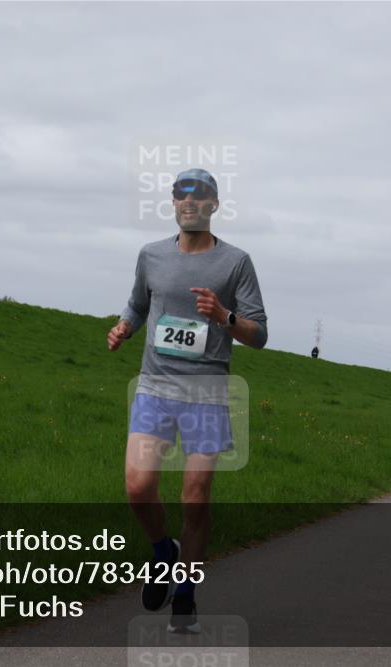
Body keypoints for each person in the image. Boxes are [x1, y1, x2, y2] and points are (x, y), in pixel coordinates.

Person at [108, 168, 268, 634]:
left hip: (207, 392)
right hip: (155, 387)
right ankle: (163, 552)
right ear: (174, 203)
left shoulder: (236, 262)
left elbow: (258, 334)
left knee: (194, 498)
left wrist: (225, 316)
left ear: (215, 205)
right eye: (182, 195)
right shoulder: (151, 255)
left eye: (200, 197)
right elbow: (138, 304)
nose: (190, 203)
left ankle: (186, 593)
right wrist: (123, 328)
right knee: (138, 488)